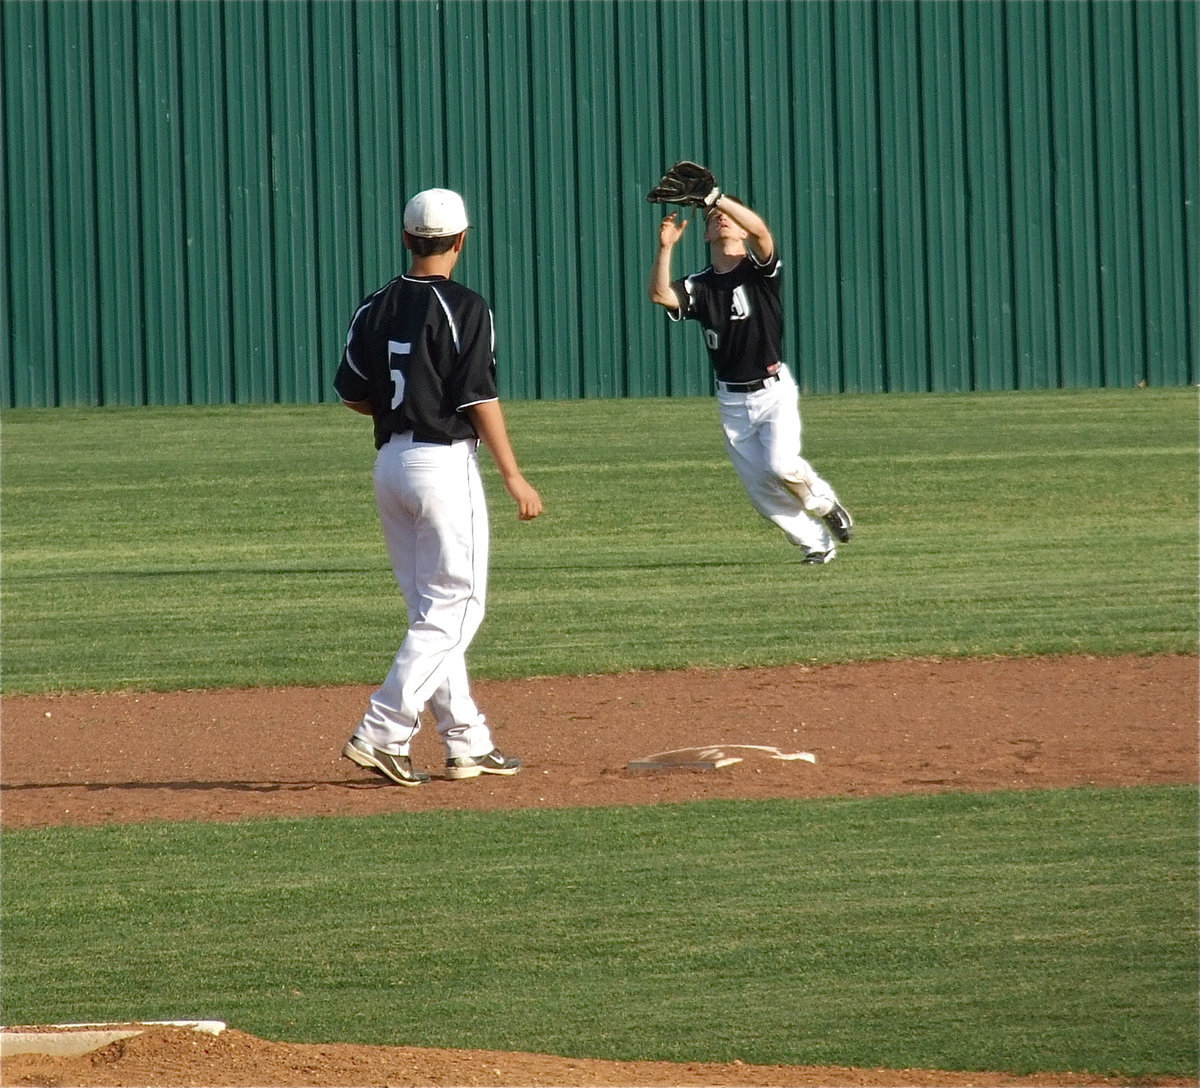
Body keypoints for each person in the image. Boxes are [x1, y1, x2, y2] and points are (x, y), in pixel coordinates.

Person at [334, 187, 543, 786]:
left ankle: (466, 741)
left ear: (406, 238)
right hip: (442, 465)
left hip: (390, 466)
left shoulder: (373, 305)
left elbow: (352, 393)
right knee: (457, 608)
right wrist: (512, 473)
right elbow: (479, 396)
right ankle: (384, 731)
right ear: (462, 240)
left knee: (432, 612)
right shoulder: (465, 305)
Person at [647, 173, 853, 564]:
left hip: (772, 389)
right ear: (706, 236)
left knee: (780, 464)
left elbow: (761, 231)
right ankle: (816, 543)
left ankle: (823, 501)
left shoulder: (759, 273)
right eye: (712, 218)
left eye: (728, 216)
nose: (721, 219)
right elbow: (660, 294)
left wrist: (715, 197)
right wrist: (665, 248)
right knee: (761, 492)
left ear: (741, 229)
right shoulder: (700, 285)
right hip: (731, 400)